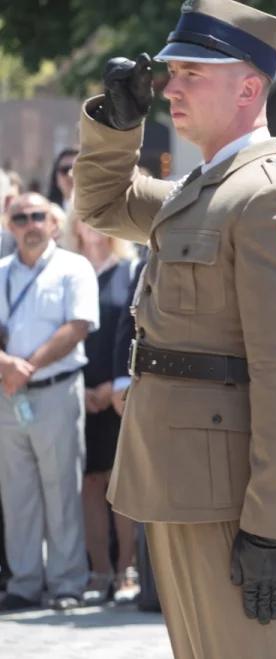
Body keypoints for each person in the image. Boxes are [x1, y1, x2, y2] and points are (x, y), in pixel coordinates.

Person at [71, 0, 276, 657]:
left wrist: (272, 523)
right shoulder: (204, 190)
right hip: (183, 479)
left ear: (248, 88)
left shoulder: (269, 194)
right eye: (172, 72)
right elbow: (103, 204)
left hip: (233, 497)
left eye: (193, 73)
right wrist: (117, 126)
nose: (171, 86)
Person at [0, 194, 97, 611]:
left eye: (38, 216)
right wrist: (7, 365)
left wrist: (27, 366)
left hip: (56, 389)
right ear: (10, 226)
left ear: (55, 223)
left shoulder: (74, 267)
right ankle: (24, 581)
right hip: (8, 395)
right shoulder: (1, 271)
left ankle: (66, 582)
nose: (30, 224)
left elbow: (77, 327)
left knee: (61, 491)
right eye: (20, 218)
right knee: (16, 494)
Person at [70, 219, 140, 604]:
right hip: (75, 392)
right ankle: (98, 571)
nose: (90, 225)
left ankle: (125, 570)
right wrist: (80, 390)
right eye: (82, 217)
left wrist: (113, 384)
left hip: (118, 391)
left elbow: (134, 329)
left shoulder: (129, 268)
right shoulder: (68, 267)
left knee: (120, 484)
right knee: (90, 484)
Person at [46, 148, 79, 214]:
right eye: (65, 170)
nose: (70, 175)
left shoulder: (100, 210)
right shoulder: (46, 212)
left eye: (76, 169)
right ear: (55, 177)